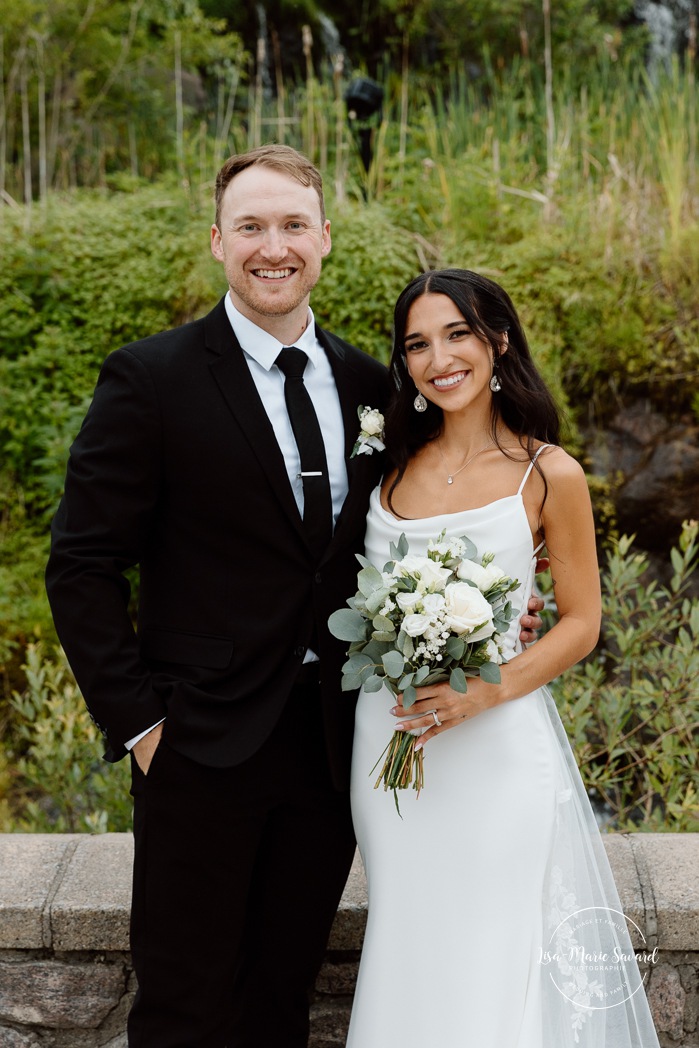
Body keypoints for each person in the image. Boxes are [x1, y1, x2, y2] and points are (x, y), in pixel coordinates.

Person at [45, 148, 543, 1048]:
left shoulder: (371, 386)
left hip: (332, 743)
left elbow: (425, 522)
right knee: (184, 1005)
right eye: (250, 227)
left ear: (323, 240)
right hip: (197, 745)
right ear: (216, 243)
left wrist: (499, 611)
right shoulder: (150, 379)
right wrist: (145, 730)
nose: (271, 247)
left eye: (290, 226)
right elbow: (81, 565)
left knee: (280, 999)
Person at [346, 269, 661, 1048]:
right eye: (417, 343)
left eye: (456, 334)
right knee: (408, 934)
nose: (438, 357)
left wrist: (482, 691)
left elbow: (581, 623)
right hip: (387, 742)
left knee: (493, 947)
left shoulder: (546, 471)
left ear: (497, 340)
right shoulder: (383, 463)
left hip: (494, 747)